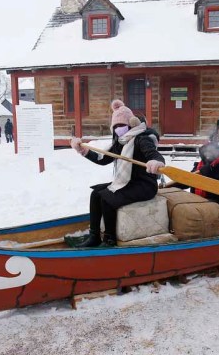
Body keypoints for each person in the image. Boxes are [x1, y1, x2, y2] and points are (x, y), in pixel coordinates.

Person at [68, 99, 165, 247]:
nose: (119, 129)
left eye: (122, 125)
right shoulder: (120, 142)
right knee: (96, 194)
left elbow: (154, 155)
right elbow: (103, 159)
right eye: (116, 126)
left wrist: (156, 162)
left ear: (131, 123)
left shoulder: (142, 139)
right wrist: (83, 151)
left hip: (144, 185)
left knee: (107, 197)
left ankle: (109, 239)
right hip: (128, 182)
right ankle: (94, 236)